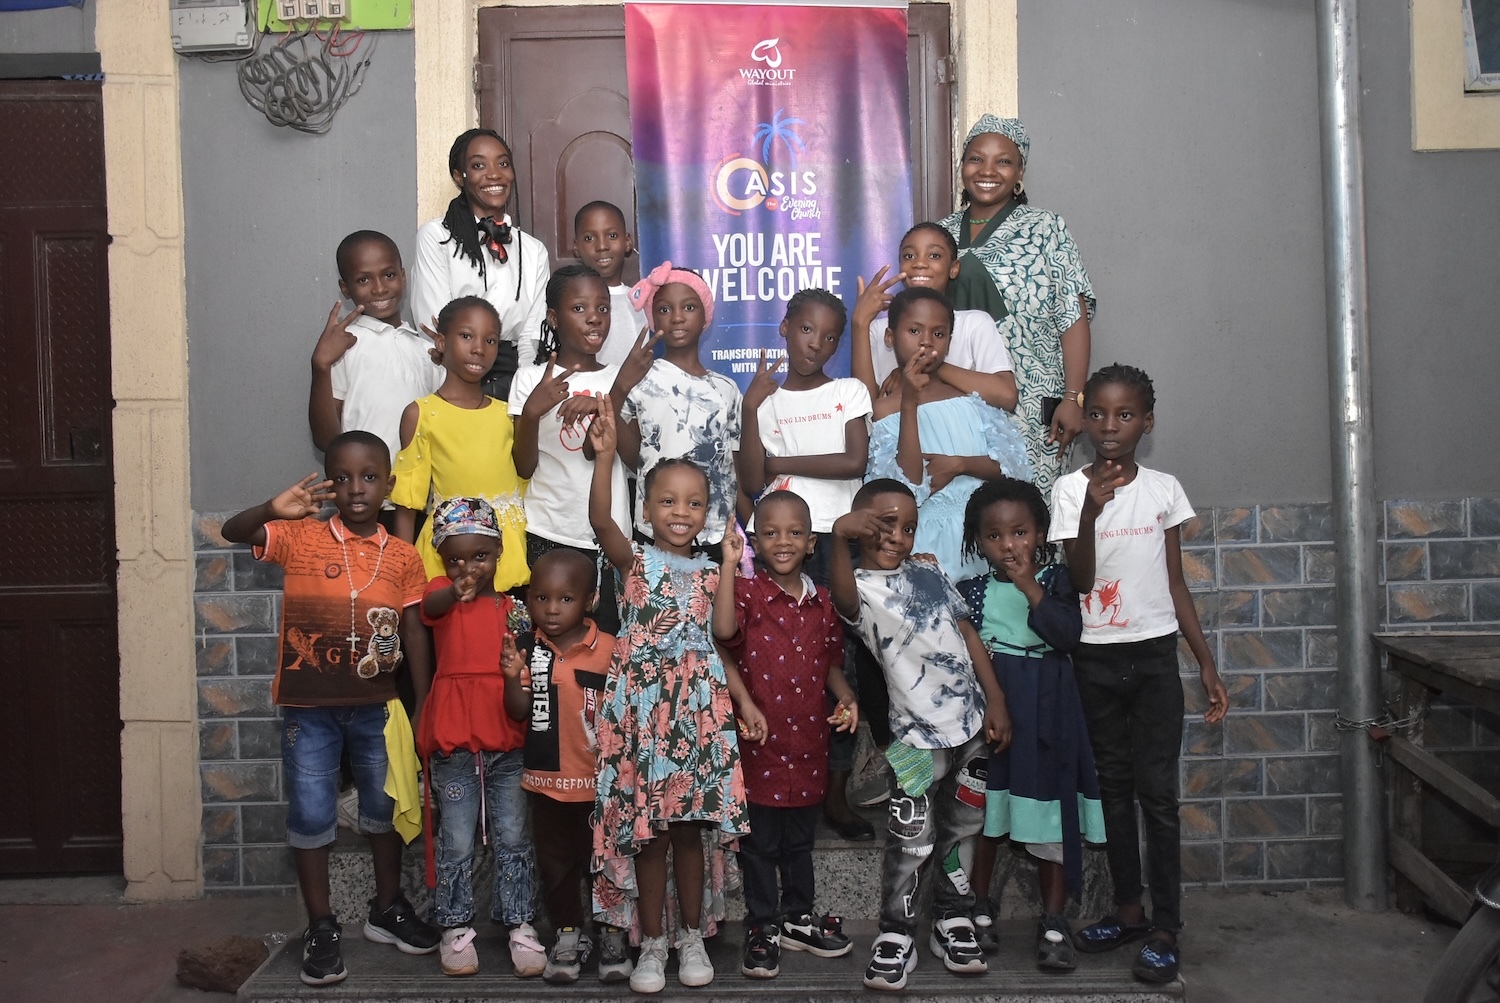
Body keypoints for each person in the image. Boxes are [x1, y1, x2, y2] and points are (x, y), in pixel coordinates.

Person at [219, 431, 438, 987]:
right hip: (309, 709)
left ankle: (386, 908)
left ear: (388, 486)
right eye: (341, 478)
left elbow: (413, 633)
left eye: (368, 477)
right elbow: (231, 532)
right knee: (313, 816)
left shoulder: (404, 557)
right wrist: (273, 508)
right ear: (329, 485)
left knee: (382, 810)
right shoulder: (302, 538)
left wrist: (423, 704)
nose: (355, 488)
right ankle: (321, 925)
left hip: (376, 707)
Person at [1050, 363, 1229, 985]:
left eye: (1125, 415)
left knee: (1159, 796)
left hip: (1154, 659)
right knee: (1116, 792)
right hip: (1095, 657)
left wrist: (1204, 663)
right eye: (1097, 413)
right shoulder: (1070, 492)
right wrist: (1094, 512)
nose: (1109, 426)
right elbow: (1078, 581)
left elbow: (1175, 583)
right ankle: (1128, 911)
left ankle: (1166, 927)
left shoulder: (1163, 490)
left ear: (1146, 423)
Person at [586, 394, 766, 994]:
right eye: (667, 501)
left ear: (710, 512)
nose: (680, 511)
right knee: (649, 830)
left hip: (696, 716)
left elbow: (721, 636)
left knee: (689, 829)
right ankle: (653, 943)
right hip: (641, 713)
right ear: (647, 509)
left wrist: (734, 563)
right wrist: (606, 457)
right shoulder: (634, 563)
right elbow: (600, 522)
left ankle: (692, 937)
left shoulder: (715, 571)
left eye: (694, 502)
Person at [827, 478, 1010, 991]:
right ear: (861, 526)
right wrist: (840, 538)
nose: (898, 537)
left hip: (971, 730)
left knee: (964, 830)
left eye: (907, 527)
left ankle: (952, 918)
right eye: (885, 524)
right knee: (911, 840)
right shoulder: (859, 588)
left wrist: (995, 700)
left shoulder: (929, 570)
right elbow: (840, 594)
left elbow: (968, 634)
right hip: (912, 740)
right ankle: (897, 933)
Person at [736, 287, 874, 841]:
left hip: (834, 544)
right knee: (770, 671)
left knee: (835, 667)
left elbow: (854, 460)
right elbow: (751, 482)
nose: (817, 342)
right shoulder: (764, 398)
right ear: (785, 328)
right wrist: (750, 409)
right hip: (776, 546)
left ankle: (834, 795)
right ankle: (767, 784)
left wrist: (781, 462)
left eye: (830, 336)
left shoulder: (848, 390)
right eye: (807, 329)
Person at [955, 477, 1106, 971]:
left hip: (1048, 714)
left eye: (1020, 533)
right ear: (979, 542)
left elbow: (1066, 636)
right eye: (994, 537)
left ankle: (1055, 919)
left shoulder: (1059, 583)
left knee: (1048, 815)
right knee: (987, 817)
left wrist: (1027, 585)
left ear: (1040, 533)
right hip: (994, 715)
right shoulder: (970, 592)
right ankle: (977, 908)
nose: (1008, 545)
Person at [712, 490, 859, 979]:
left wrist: (846, 698)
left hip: (809, 747)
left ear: (811, 542)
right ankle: (761, 924)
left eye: (794, 532)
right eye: (770, 533)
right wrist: (731, 565)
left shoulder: (822, 604)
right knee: (759, 844)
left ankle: (797, 917)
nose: (783, 541)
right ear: (755, 540)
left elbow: (831, 663)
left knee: (800, 843)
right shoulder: (750, 594)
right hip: (762, 746)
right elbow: (724, 631)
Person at [414, 498, 540, 978]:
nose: (468, 568)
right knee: (457, 837)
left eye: (480, 556)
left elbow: (521, 681)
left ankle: (520, 924)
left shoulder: (515, 612)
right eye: (455, 559)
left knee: (512, 834)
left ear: (501, 552)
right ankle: (454, 927)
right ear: (443, 562)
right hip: (453, 735)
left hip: (506, 735)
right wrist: (454, 589)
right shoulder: (442, 598)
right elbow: (430, 605)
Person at [942, 115, 1095, 495]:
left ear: (1020, 170)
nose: (988, 171)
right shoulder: (939, 233)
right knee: (960, 513)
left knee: (1026, 517)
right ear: (962, 166)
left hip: (1032, 405)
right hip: (953, 399)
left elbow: (1072, 318)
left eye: (1003, 161)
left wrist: (1074, 399)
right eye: (976, 159)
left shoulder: (1046, 229)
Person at [502, 548, 634, 985]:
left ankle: (612, 933)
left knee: (606, 862)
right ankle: (567, 934)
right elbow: (519, 711)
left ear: (590, 600)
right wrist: (510, 677)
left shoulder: (610, 650)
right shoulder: (528, 650)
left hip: (601, 786)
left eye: (565, 599)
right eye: (541, 598)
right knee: (557, 866)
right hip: (547, 785)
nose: (552, 609)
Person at [866, 286, 1031, 582]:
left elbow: (1014, 469)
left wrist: (960, 465)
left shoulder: (971, 399)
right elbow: (907, 488)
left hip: (983, 539)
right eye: (914, 331)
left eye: (938, 334)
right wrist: (909, 404)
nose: (926, 342)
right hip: (926, 546)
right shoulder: (886, 410)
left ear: (949, 342)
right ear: (890, 337)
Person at [510, 263, 629, 632]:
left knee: (607, 644)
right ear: (553, 317)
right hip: (550, 532)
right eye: (579, 309)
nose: (594, 319)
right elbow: (523, 466)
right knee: (548, 648)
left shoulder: (617, 378)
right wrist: (532, 412)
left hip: (610, 535)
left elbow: (634, 454)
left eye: (603, 308)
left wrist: (605, 403)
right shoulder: (530, 378)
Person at [391, 296, 529, 592]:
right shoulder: (422, 413)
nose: (479, 349)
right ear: (441, 342)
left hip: (508, 552)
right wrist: (405, 577)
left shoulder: (507, 413)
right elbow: (407, 504)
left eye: (490, 340)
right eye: (466, 336)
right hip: (450, 557)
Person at [411, 128, 549, 402]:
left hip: (515, 382)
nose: (494, 174)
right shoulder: (437, 238)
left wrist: (523, 395)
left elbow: (533, 334)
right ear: (458, 176)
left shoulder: (534, 251)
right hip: (454, 383)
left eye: (503, 163)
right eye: (478, 165)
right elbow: (435, 325)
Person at [611, 262, 740, 550]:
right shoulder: (641, 378)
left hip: (715, 530)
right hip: (656, 527)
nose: (677, 317)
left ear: (706, 314)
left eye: (689, 307)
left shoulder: (726, 389)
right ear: (653, 318)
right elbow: (636, 458)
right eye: (665, 310)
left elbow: (733, 467)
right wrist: (619, 388)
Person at [308, 230, 444, 472]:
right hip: (364, 497)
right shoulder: (345, 345)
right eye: (363, 280)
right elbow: (326, 440)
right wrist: (320, 366)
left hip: (418, 497)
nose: (379, 288)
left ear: (403, 277)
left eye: (389, 275)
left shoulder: (427, 352)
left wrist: (450, 365)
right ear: (345, 288)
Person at [851, 222, 1019, 413]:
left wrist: (925, 368)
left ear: (954, 268)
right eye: (909, 256)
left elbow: (1006, 396)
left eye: (934, 255)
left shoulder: (975, 323)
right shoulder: (878, 330)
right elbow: (864, 412)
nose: (920, 263)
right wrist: (860, 323)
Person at [572, 200, 647, 365]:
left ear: (627, 242)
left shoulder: (641, 303)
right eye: (590, 238)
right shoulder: (566, 302)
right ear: (576, 247)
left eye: (612, 236)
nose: (602, 246)